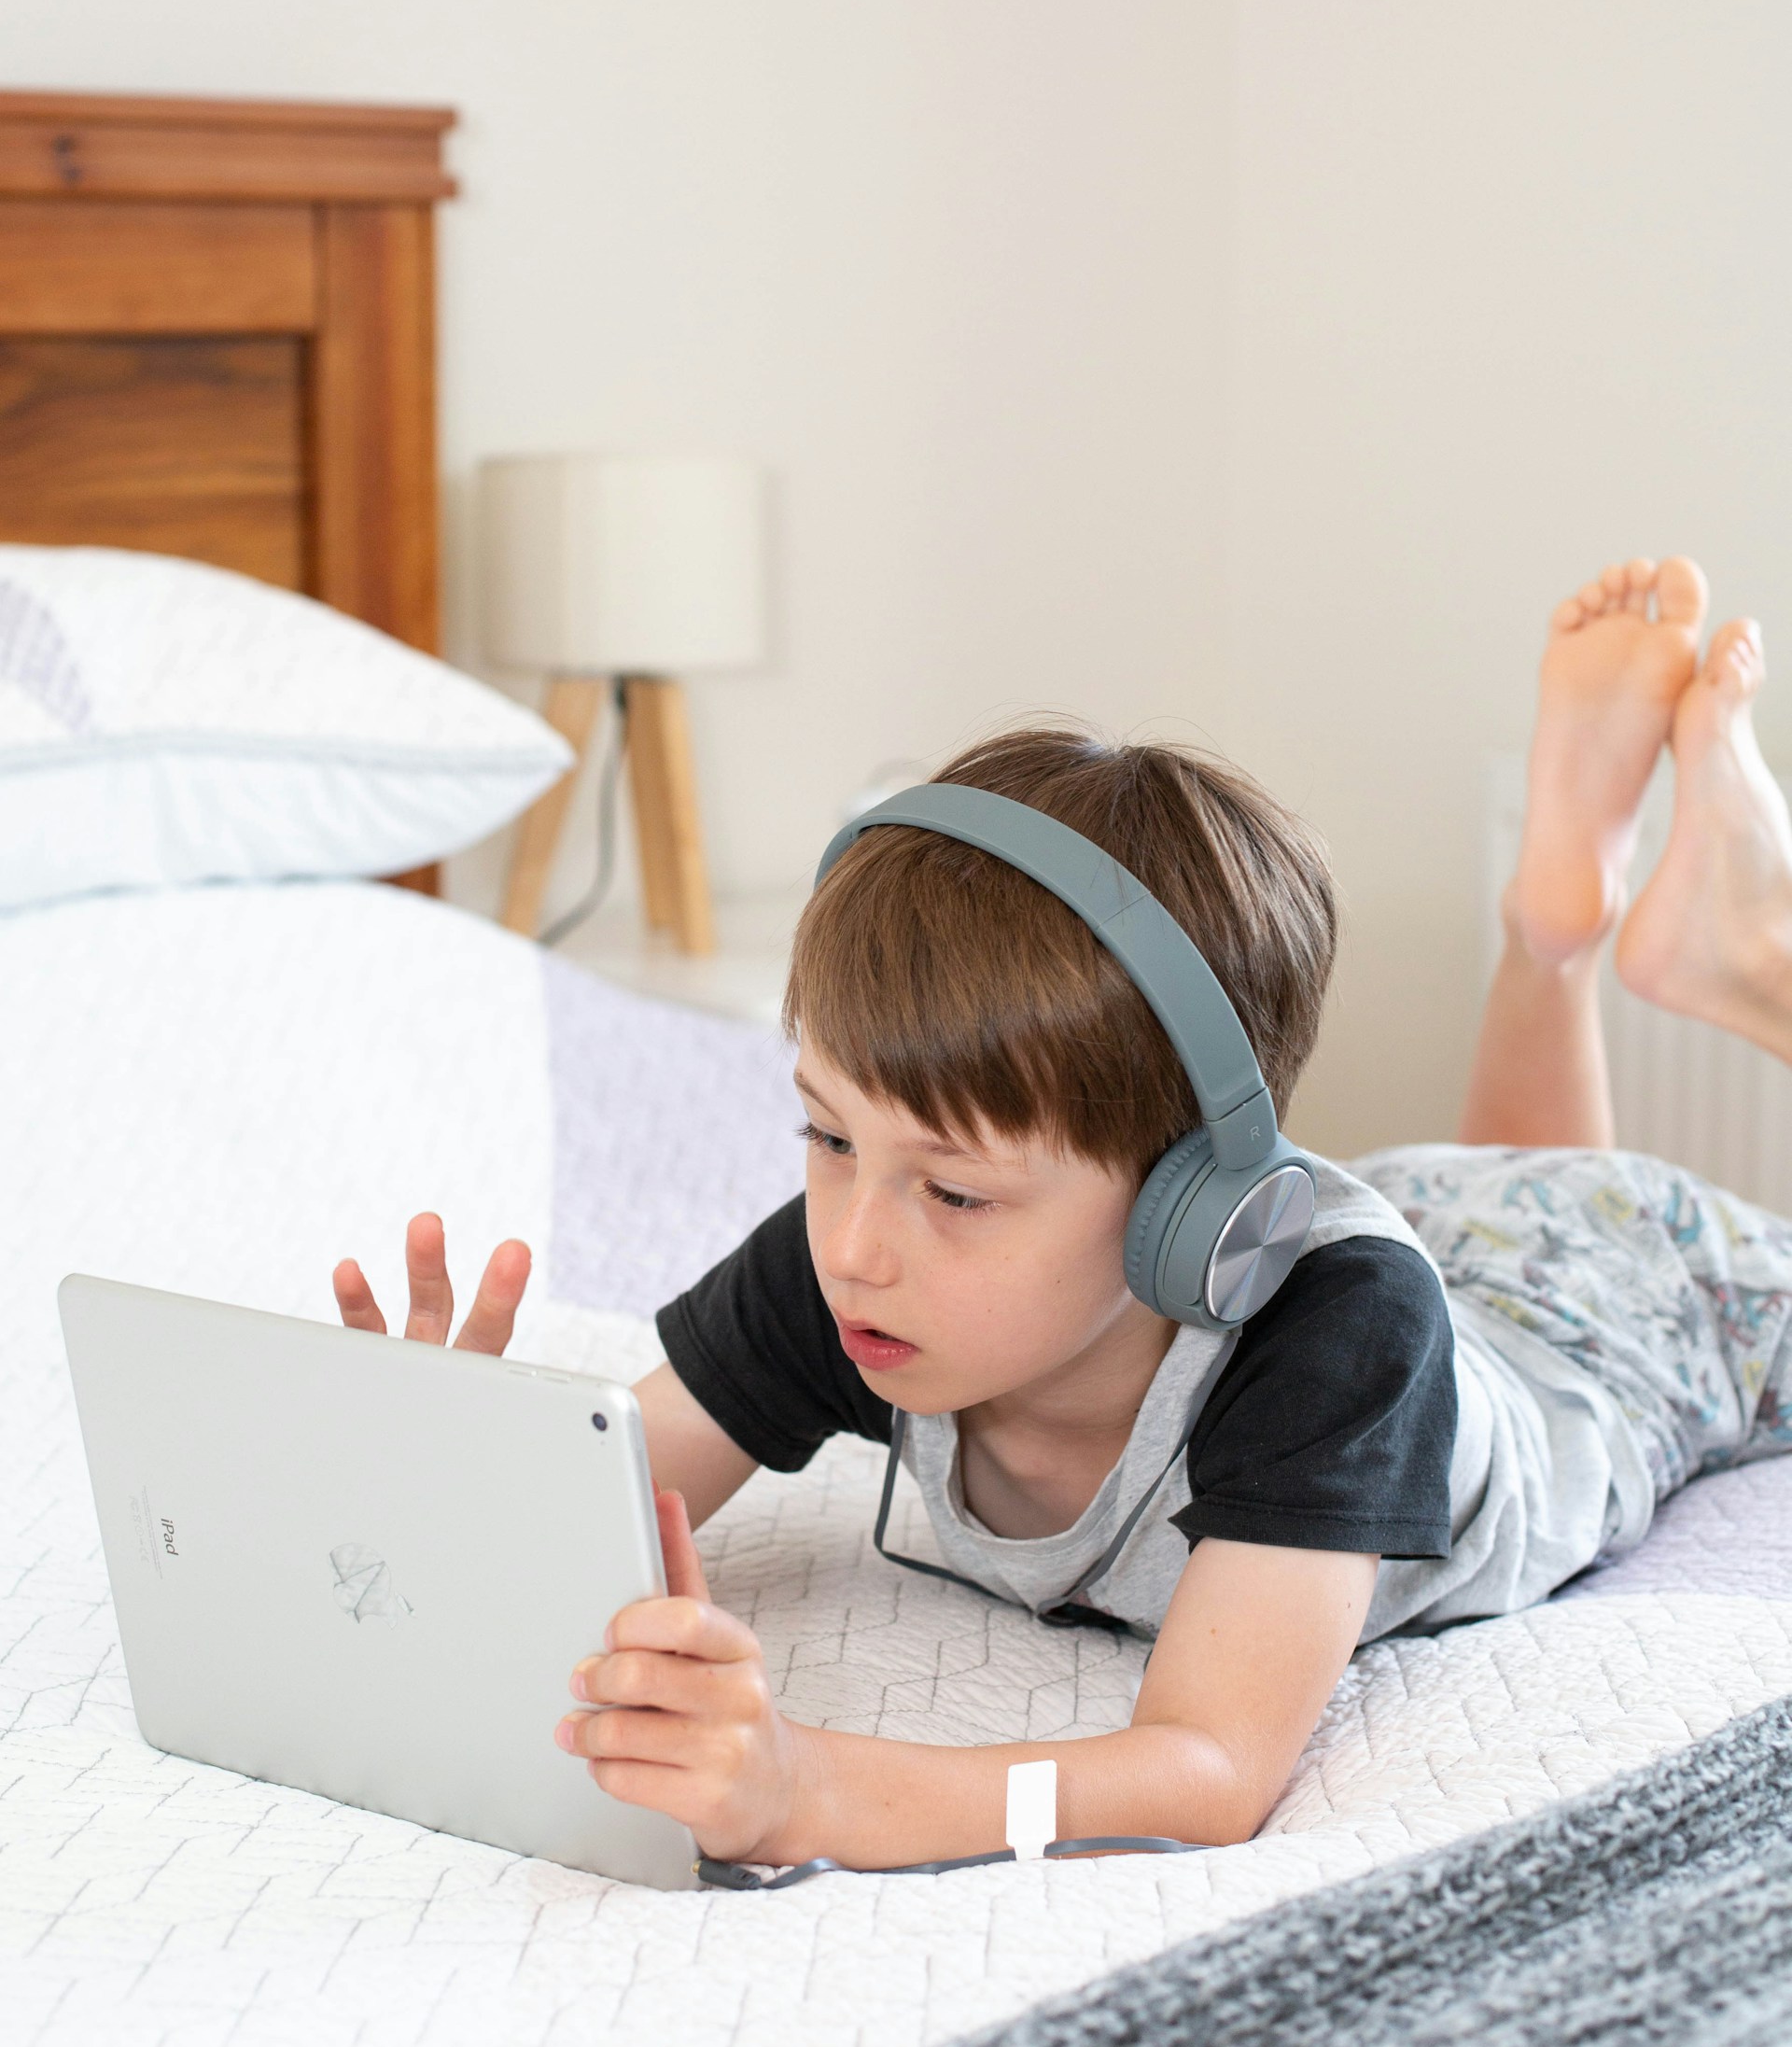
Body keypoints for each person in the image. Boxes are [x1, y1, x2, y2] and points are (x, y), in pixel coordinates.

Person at [334, 557, 1792, 1872]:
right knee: (1499, 1189)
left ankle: (1750, 962)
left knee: (1570, 1221)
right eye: (826, 1134)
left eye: (958, 1190)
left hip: (1623, 1311)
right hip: (1450, 1215)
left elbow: (1210, 1770)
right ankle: (1556, 931)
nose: (853, 1240)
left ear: (1195, 1216)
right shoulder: (855, 1268)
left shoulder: (1341, 1336)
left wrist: (808, 1793)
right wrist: (466, 1487)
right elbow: (582, 1513)